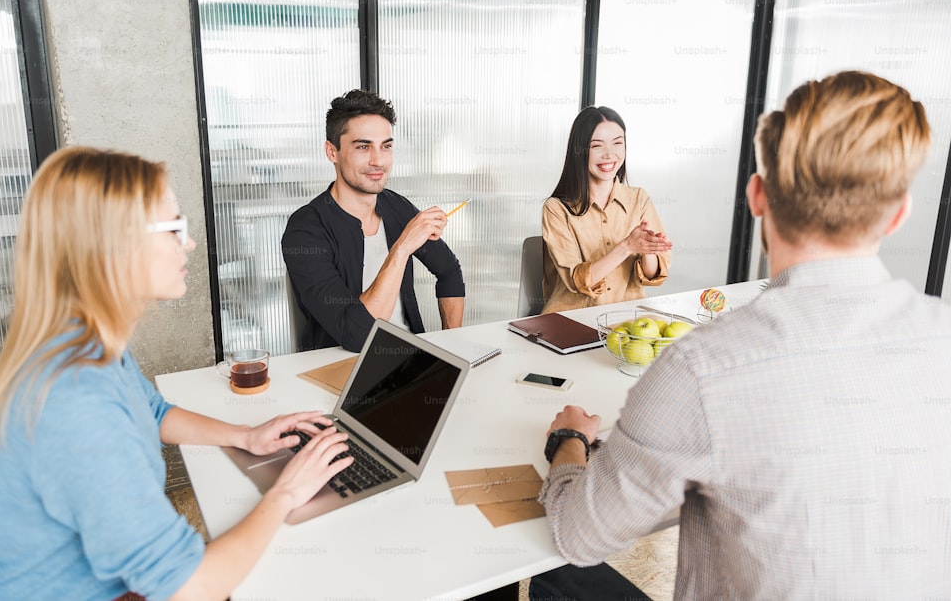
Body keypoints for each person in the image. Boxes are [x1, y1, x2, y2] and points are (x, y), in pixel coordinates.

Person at [532, 71, 951, 598]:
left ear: (757, 195)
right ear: (901, 214)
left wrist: (569, 440)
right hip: (576, 325)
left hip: (613, 374)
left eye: (618, 144)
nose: (610, 154)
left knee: (556, 569)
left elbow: (579, 533)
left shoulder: (700, 368)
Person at [0, 147, 354, 600]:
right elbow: (191, 588)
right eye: (173, 229)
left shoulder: (82, 341)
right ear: (111, 246)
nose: (187, 243)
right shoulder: (75, 399)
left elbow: (153, 413)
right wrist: (285, 493)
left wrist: (247, 436)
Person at [282, 89, 465, 352]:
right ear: (332, 152)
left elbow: (449, 271)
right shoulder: (306, 231)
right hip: (341, 366)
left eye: (386, 146)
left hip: (410, 358)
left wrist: (450, 347)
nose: (378, 161)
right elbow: (357, 337)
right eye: (363, 147)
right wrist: (401, 249)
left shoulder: (397, 207)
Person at [541, 106, 673, 314]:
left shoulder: (639, 199)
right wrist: (628, 246)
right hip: (571, 321)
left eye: (618, 143)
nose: (609, 154)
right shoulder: (556, 209)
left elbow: (652, 275)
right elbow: (578, 281)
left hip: (628, 319)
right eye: (597, 146)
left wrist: (648, 249)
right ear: (580, 151)